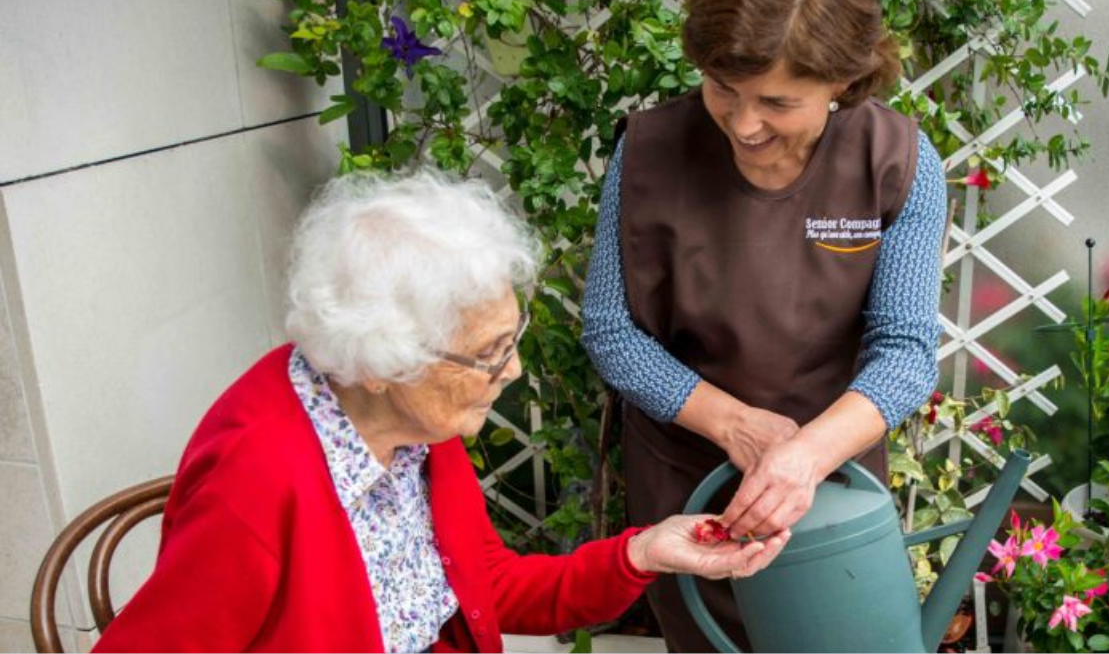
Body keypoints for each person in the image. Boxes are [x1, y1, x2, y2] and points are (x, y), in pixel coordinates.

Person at [92, 169, 788, 653]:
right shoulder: (257, 481)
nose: (511, 370)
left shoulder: (415, 428)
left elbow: (490, 585)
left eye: (511, 339)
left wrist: (642, 551)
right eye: (489, 353)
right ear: (387, 362)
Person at [581, 0, 945, 652]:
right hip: (687, 483)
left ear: (842, 80)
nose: (743, 124)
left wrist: (803, 457)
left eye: (777, 103)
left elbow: (906, 352)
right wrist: (737, 426)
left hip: (830, 493)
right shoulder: (649, 152)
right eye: (723, 88)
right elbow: (611, 332)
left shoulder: (896, 162)